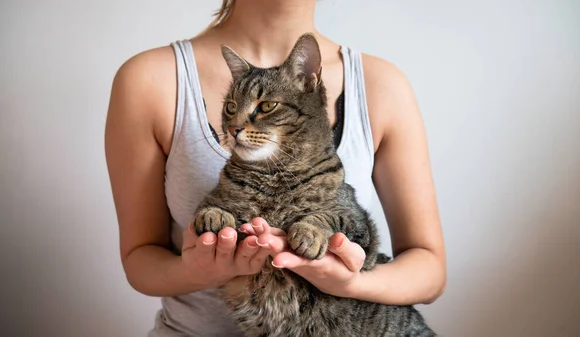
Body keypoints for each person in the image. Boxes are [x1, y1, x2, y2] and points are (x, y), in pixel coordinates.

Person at [104, 0, 446, 335]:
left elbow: (430, 271)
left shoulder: (382, 83)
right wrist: (199, 270)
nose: (237, 126)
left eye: (265, 107)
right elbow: (140, 259)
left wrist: (352, 282)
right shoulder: (148, 78)